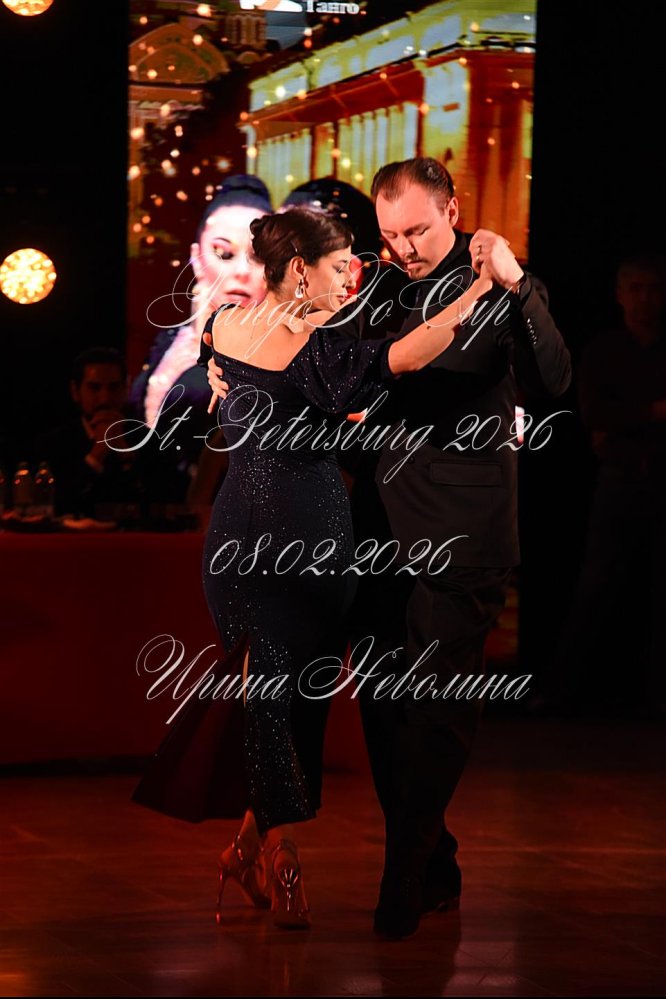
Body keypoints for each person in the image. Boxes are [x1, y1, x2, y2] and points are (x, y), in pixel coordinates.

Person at [205, 158, 572, 939]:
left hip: (463, 532)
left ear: (453, 212)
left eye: (416, 230)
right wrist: (222, 357)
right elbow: (313, 360)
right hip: (373, 531)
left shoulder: (498, 278)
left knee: (436, 706)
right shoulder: (371, 287)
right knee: (381, 707)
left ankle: (402, 874)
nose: (401, 247)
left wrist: (515, 286)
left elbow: (553, 378)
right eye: (389, 233)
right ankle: (433, 858)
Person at [133, 205, 494, 930]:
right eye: (337, 266)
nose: (349, 276)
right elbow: (409, 354)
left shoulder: (228, 326)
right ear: (299, 269)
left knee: (282, 696)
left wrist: (221, 375)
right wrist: (482, 291)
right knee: (273, 693)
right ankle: (283, 851)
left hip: (271, 541)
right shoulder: (307, 347)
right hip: (286, 544)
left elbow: (222, 367)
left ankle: (246, 848)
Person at [538, 254, 666, 714]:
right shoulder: (605, 351)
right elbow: (595, 416)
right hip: (618, 482)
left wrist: (623, 421)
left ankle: (656, 699)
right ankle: (561, 694)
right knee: (595, 587)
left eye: (653, 289)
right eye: (637, 289)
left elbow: (610, 421)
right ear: (620, 295)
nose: (645, 299)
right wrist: (653, 412)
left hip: (659, 481)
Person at [128, 175, 271, 504]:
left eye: (258, 256)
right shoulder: (168, 342)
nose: (241, 271)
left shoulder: (280, 355)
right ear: (196, 257)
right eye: (223, 253)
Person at [36, 347, 142, 518]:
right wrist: (97, 454)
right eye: (94, 388)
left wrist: (125, 453)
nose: (105, 398)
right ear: (75, 391)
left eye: (114, 387)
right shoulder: (53, 444)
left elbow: (161, 502)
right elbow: (54, 506)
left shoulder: (147, 440)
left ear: (126, 389)